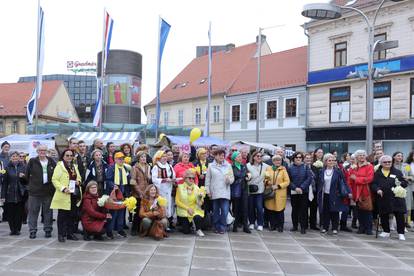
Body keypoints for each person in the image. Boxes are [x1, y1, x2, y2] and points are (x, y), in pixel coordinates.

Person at [373, 155, 408, 240]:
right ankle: (386, 231)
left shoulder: (397, 172)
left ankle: (401, 233)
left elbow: (405, 183)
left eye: (389, 162)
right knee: (384, 214)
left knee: (399, 215)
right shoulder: (377, 173)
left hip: (397, 198)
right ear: (381, 163)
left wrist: (400, 183)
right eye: (385, 162)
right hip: (383, 197)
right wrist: (377, 190)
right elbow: (373, 184)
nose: (388, 163)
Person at [51, 149, 82, 242]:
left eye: (71, 155)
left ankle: (70, 233)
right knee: (62, 216)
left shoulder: (74, 166)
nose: (69, 157)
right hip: (63, 194)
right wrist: (63, 188)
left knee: (72, 215)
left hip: (73, 194)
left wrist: (78, 181)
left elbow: (79, 177)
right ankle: (61, 234)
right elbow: (54, 180)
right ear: (63, 156)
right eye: (67, 155)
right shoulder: (59, 166)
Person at [26, 145, 56, 239]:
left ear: (46, 151)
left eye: (44, 150)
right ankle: (32, 230)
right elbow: (27, 175)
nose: (42, 152)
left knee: (48, 212)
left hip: (48, 191)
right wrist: (30, 186)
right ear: (37, 151)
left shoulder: (51, 161)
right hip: (35, 192)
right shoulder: (32, 161)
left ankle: (47, 230)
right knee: (33, 212)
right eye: (40, 150)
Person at [317, 153, 352, 234]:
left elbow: (344, 182)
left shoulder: (338, 171)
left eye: (333, 160)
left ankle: (335, 227)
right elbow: (319, 183)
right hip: (324, 195)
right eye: (329, 160)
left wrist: (348, 192)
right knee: (325, 211)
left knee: (335, 211)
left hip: (335, 194)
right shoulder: (321, 171)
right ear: (325, 161)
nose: (332, 162)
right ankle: (325, 227)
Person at [205, 149, 234, 234]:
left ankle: (223, 226)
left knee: (225, 210)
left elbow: (232, 179)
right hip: (215, 191)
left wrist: (229, 180)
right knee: (216, 210)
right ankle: (216, 226)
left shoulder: (228, 165)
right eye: (219, 155)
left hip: (225, 191)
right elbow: (208, 180)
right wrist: (208, 191)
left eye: (223, 155)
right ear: (215, 156)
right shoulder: (211, 166)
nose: (222, 156)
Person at [348, 150, 374, 235]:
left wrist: (357, 179)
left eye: (363, 155)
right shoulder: (353, 167)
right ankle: (361, 227)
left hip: (365, 191)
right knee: (359, 211)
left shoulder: (369, 166)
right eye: (360, 155)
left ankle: (368, 228)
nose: (362, 157)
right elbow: (350, 180)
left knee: (367, 210)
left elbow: (369, 178)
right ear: (356, 157)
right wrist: (350, 191)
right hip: (356, 191)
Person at [105, 152, 130, 238]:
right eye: (119, 158)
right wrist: (113, 185)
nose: (121, 160)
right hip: (114, 194)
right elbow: (108, 180)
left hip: (122, 194)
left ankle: (120, 230)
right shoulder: (111, 167)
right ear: (115, 159)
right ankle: (109, 231)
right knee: (113, 213)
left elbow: (127, 181)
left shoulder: (125, 168)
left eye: (122, 158)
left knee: (121, 213)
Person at [1, 151, 27, 235]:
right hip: (10, 193)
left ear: (19, 158)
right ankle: (12, 229)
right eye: (13, 156)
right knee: (10, 213)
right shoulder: (7, 168)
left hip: (20, 193)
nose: (15, 158)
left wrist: (23, 177)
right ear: (10, 158)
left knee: (19, 213)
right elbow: (4, 183)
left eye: (16, 156)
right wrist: (3, 196)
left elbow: (27, 181)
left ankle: (18, 229)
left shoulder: (23, 167)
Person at [175, 169, 206, 236]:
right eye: (189, 178)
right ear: (185, 178)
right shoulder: (179, 187)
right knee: (186, 232)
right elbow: (177, 201)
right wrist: (187, 208)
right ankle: (189, 225)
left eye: (193, 178)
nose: (191, 179)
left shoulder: (197, 188)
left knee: (198, 217)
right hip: (184, 210)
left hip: (194, 210)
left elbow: (199, 204)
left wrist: (200, 198)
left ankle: (198, 229)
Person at [264, 155, 290, 232]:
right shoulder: (268, 169)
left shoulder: (283, 170)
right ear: (273, 161)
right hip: (270, 192)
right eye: (276, 160)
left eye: (279, 160)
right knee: (271, 210)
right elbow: (265, 179)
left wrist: (278, 186)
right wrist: (268, 182)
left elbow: (287, 182)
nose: (277, 162)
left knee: (279, 210)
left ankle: (280, 226)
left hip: (280, 193)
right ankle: (272, 225)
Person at [288, 152, 312, 234]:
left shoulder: (306, 167)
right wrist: (295, 188)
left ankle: (303, 227)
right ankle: (295, 226)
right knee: (294, 209)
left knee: (303, 210)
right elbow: (288, 180)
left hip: (303, 192)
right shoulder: (290, 168)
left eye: (300, 157)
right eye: (297, 157)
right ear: (293, 158)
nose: (298, 159)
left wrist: (301, 187)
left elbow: (309, 178)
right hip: (294, 191)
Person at [152, 150, 176, 231]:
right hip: (160, 189)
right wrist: (163, 180)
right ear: (159, 158)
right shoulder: (156, 167)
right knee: (161, 206)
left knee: (169, 206)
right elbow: (154, 179)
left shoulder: (169, 166)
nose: (165, 158)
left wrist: (173, 180)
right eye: (163, 156)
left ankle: (167, 225)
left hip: (169, 189)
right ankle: (160, 226)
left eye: (165, 156)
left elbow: (173, 176)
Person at [130, 151, 151, 235]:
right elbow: (133, 182)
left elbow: (149, 180)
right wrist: (139, 192)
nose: (143, 158)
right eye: (141, 157)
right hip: (138, 193)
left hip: (146, 192)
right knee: (137, 211)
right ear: (138, 159)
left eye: (144, 157)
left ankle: (141, 229)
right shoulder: (135, 168)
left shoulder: (148, 167)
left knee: (144, 211)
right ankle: (134, 229)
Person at [246, 151, 268, 231]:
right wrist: (247, 177)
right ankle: (251, 222)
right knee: (251, 208)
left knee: (259, 208)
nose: (259, 157)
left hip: (260, 190)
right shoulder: (248, 165)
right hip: (250, 189)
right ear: (253, 157)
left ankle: (260, 223)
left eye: (260, 156)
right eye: (257, 156)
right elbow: (245, 175)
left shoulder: (266, 166)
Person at [230, 151, 250, 233]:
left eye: (241, 156)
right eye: (238, 156)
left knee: (245, 208)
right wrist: (243, 176)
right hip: (236, 189)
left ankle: (245, 226)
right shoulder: (231, 167)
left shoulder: (244, 166)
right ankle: (235, 226)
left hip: (244, 189)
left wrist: (249, 176)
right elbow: (237, 176)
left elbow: (247, 174)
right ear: (234, 158)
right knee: (236, 208)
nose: (240, 158)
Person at [393, 151, 414, 228]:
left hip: (406, 188)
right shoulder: (391, 165)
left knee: (408, 207)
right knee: (395, 205)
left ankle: (407, 222)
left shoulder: (406, 166)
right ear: (394, 157)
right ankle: (393, 222)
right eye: (398, 156)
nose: (400, 157)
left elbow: (412, 176)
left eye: (401, 156)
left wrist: (408, 177)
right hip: (395, 188)